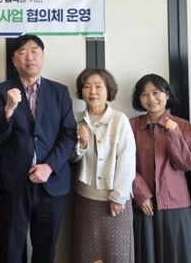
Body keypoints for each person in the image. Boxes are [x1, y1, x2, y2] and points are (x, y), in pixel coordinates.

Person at [0, 34, 77, 263]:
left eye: (34, 50)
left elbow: (69, 134)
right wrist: (9, 109)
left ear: (43, 56)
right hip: (14, 182)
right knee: (10, 248)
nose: (29, 57)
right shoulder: (2, 90)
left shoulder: (59, 91)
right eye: (23, 52)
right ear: (14, 60)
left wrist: (49, 166)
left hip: (51, 183)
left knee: (46, 249)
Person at [130, 73, 191, 263]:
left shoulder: (183, 126)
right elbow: (123, 163)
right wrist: (141, 193)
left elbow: (186, 164)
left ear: (167, 94)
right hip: (143, 204)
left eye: (156, 92)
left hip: (176, 203)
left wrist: (173, 133)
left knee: (178, 255)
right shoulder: (131, 126)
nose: (151, 98)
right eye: (144, 94)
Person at [71, 68, 135, 263]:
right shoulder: (75, 119)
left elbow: (127, 159)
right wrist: (82, 145)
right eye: (87, 86)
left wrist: (119, 196)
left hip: (114, 200)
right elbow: (70, 160)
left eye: (98, 86)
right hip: (85, 199)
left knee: (116, 255)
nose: (92, 92)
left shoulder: (119, 119)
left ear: (109, 91)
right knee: (86, 255)